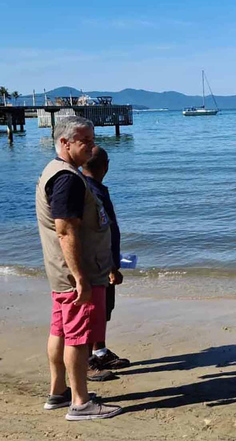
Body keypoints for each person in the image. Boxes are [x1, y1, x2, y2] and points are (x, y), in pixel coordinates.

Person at [35, 116, 122, 420]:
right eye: (84, 140)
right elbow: (65, 230)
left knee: (60, 330)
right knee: (79, 337)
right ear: (64, 142)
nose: (92, 146)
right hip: (76, 274)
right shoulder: (67, 178)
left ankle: (59, 392)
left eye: (92, 139)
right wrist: (82, 278)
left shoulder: (58, 172)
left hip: (64, 273)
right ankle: (80, 403)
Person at [81, 146, 130, 377]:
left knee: (103, 309)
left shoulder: (90, 188)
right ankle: (90, 359)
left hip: (101, 259)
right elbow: (101, 232)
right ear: (106, 166)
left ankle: (99, 351)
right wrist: (111, 266)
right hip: (99, 262)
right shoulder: (91, 191)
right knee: (96, 310)